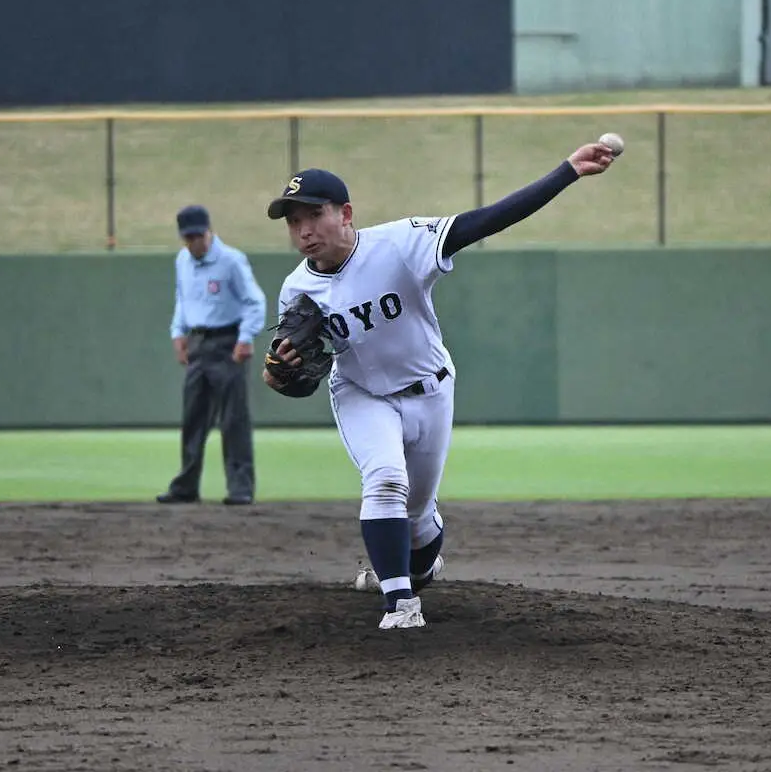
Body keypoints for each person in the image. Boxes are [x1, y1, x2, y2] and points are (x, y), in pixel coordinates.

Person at [262, 141, 616, 628]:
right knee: (385, 480)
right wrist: (278, 372)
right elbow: (292, 372)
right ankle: (400, 605)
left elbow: (486, 220)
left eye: (313, 214)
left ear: (345, 213)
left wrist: (567, 172)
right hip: (362, 394)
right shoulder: (297, 289)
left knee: (418, 518)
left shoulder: (400, 244)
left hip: (431, 389)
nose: (303, 230)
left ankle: (416, 571)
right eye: (292, 220)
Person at [157, 204, 266, 506]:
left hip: (227, 343)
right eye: (188, 238)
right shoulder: (183, 261)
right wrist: (178, 332)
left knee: (233, 419)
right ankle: (186, 485)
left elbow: (254, 301)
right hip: (197, 343)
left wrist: (245, 338)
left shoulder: (231, 260)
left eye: (198, 236)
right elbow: (183, 298)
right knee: (193, 418)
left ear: (209, 232)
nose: (194, 244)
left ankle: (240, 487)